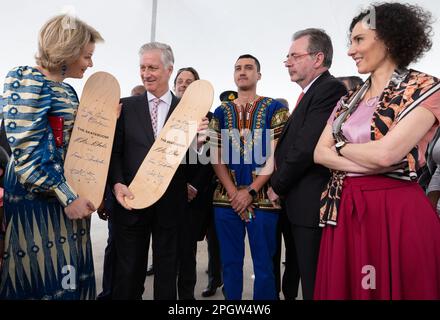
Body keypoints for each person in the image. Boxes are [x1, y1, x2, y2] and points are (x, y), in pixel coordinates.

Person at [314, 3, 440, 299]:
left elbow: (387, 155)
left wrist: (341, 145)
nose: (350, 50)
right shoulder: (347, 101)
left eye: (359, 40)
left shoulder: (426, 88)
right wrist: (367, 156)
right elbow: (318, 154)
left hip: (396, 210)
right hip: (344, 209)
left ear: (387, 38)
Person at [0, 14, 103, 299]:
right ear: (67, 51)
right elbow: (27, 152)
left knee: (67, 277)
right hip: (35, 199)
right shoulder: (25, 80)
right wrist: (67, 196)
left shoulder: (68, 89)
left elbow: (75, 144)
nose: (90, 64)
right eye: (86, 56)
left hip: (65, 196)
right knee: (44, 278)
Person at [108, 42, 209, 300]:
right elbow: (115, 152)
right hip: (131, 202)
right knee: (129, 274)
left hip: (170, 205)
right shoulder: (125, 107)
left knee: (167, 274)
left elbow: (191, 160)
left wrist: (197, 144)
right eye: (142, 67)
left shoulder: (188, 112)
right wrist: (118, 183)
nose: (146, 73)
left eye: (152, 67)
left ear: (168, 69)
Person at [267, 28, 347, 300]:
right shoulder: (309, 93)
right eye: (287, 57)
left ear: (317, 58)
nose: (288, 62)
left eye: (294, 56)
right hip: (297, 203)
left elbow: (305, 147)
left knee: (315, 282)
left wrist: (276, 185)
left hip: (311, 203)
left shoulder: (329, 89)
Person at [209, 54, 289, 300]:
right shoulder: (220, 112)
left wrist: (250, 191)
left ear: (259, 75)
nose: (242, 72)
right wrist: (235, 193)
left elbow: (276, 155)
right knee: (230, 263)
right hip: (226, 200)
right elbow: (215, 154)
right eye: (237, 68)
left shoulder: (276, 108)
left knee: (264, 266)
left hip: (263, 199)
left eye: (248, 68)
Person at [172, 66, 214, 299]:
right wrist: (178, 185)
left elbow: (211, 159)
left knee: (187, 253)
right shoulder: (166, 114)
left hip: (194, 196)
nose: (184, 84)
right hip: (167, 193)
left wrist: (194, 187)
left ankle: (186, 298)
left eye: (190, 81)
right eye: (180, 80)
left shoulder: (210, 118)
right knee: (167, 252)